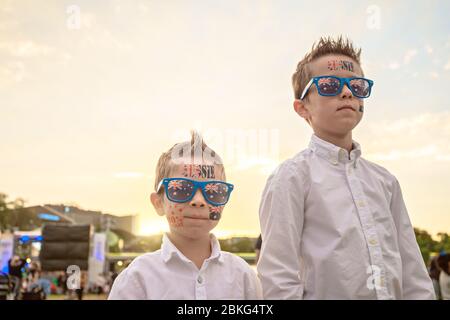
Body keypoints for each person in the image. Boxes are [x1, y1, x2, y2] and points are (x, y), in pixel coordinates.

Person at [257, 36, 435, 300]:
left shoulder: (385, 181)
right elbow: (278, 279)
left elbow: (413, 272)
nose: (347, 92)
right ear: (302, 107)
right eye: (329, 84)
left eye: (357, 85)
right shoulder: (291, 178)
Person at [108, 132, 262, 299]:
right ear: (158, 203)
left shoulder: (243, 276)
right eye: (180, 189)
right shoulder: (136, 278)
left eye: (214, 191)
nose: (198, 201)